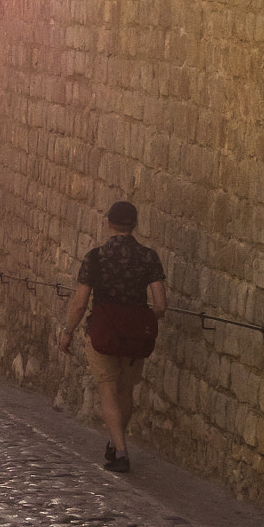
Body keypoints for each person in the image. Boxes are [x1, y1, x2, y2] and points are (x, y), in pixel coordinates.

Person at [58, 200, 167, 474]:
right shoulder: (148, 257)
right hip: (135, 337)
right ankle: (115, 440)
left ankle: (120, 451)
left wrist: (68, 332)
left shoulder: (95, 257)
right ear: (135, 224)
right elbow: (160, 305)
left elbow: (81, 303)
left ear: (108, 224)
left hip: (102, 333)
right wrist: (141, 320)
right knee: (125, 391)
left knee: (107, 389)